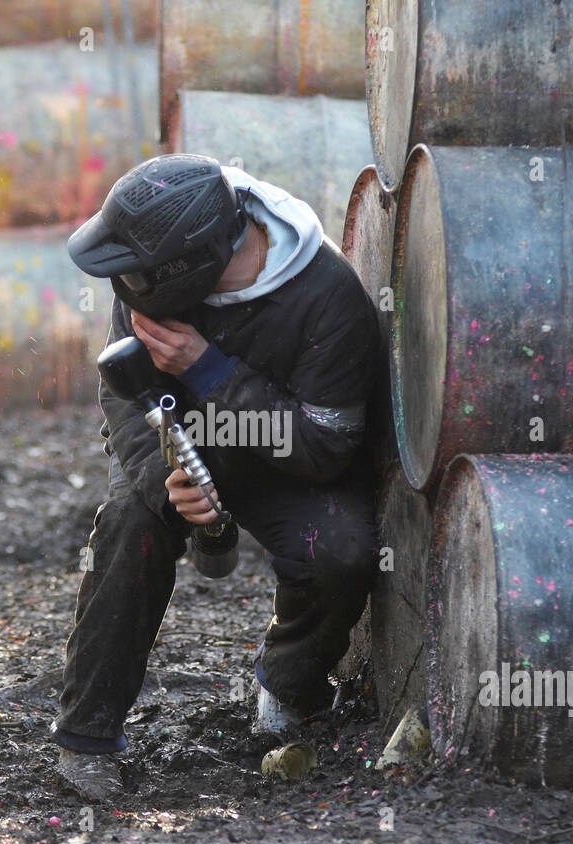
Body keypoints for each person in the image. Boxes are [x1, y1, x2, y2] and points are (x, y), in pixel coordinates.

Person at [60, 153, 383, 800]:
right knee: (128, 524)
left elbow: (326, 447)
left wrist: (210, 370)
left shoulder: (328, 297)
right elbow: (123, 391)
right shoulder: (151, 274)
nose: (123, 285)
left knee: (343, 547)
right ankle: (87, 738)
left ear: (189, 267)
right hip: (173, 442)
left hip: (286, 464)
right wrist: (165, 478)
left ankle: (288, 683)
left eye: (136, 272)